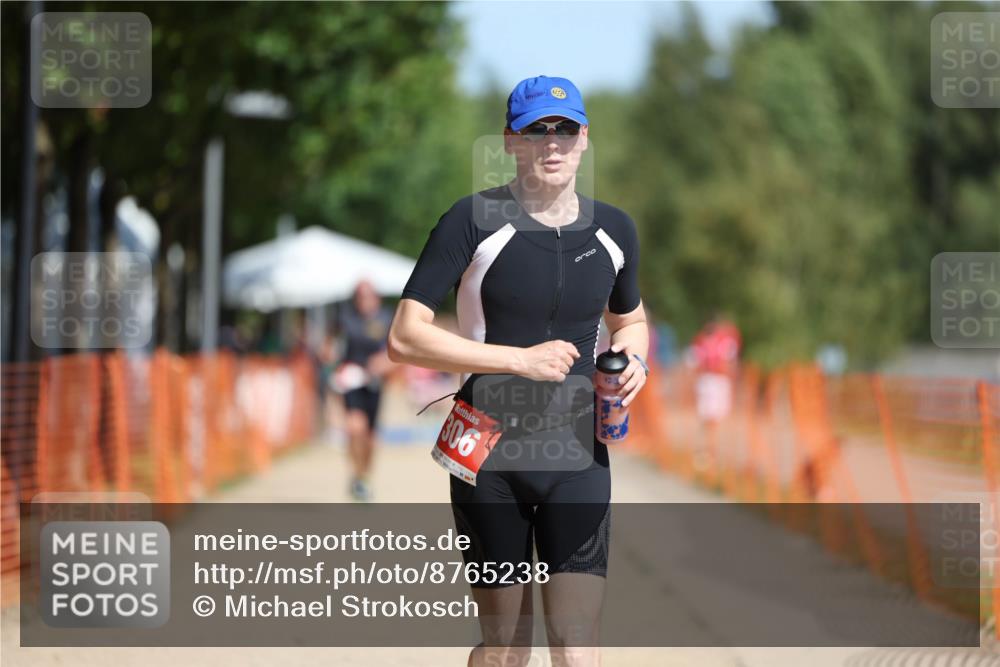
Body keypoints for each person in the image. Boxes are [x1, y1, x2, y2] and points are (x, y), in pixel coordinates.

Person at [388, 75, 648, 667]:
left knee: (577, 646)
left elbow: (630, 320)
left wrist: (635, 358)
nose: (552, 142)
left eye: (565, 129)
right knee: (507, 650)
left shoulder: (615, 230)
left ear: (585, 138)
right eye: (536, 131)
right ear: (511, 141)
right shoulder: (473, 219)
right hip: (488, 455)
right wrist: (517, 360)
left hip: (577, 454)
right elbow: (404, 336)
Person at [335, 279, 395, 502]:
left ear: (376, 297)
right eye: (360, 296)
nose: (364, 300)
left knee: (370, 437)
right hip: (351, 382)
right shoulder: (345, 318)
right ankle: (356, 474)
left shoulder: (386, 318)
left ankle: (364, 476)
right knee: (354, 427)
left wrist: (384, 363)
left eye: (368, 295)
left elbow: (397, 352)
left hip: (375, 384)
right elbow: (332, 347)